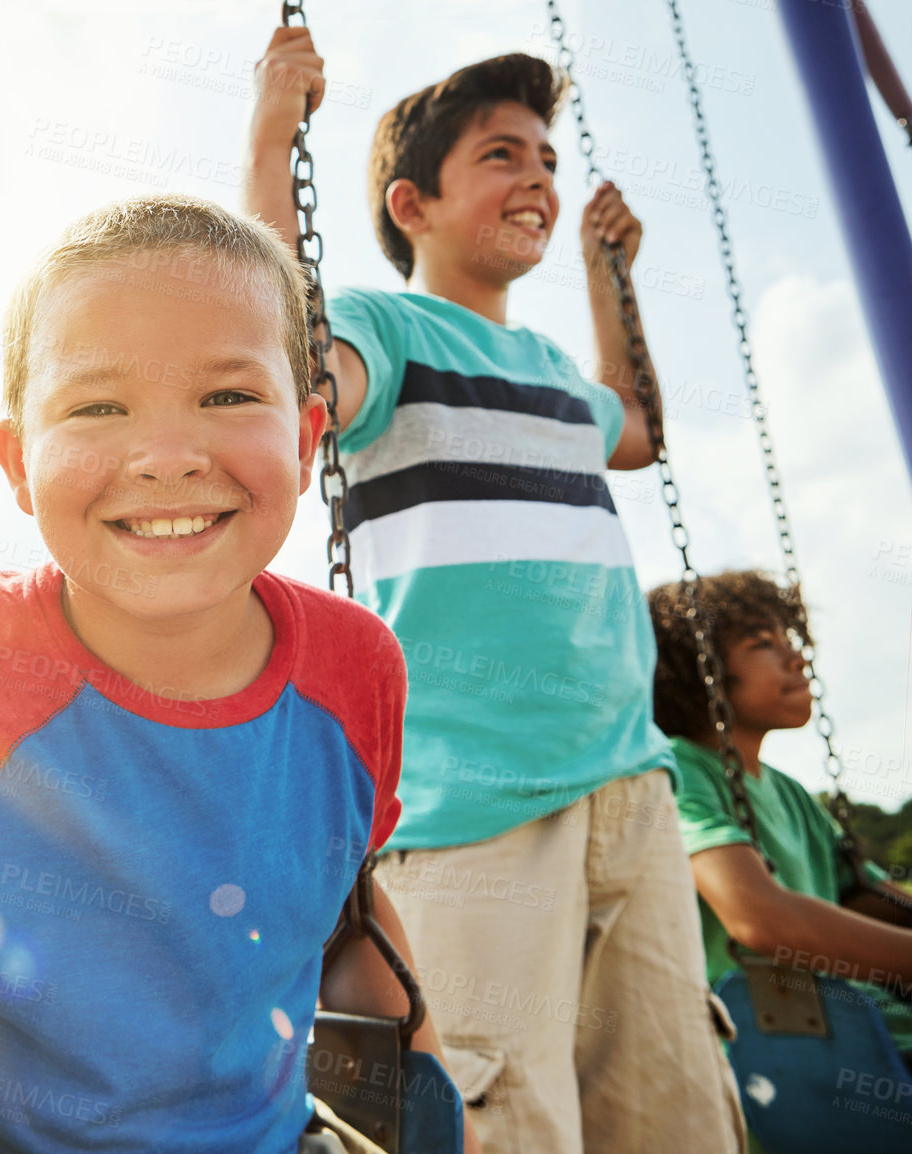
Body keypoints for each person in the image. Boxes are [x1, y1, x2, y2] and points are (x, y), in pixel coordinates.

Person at [0, 193, 478, 1154]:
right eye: (96, 407)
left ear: (307, 436)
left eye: (229, 396)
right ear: (18, 463)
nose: (164, 458)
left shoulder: (356, 668)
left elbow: (347, 910)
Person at [241, 26, 745, 1154]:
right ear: (411, 204)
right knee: (505, 1117)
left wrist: (606, 275)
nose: (537, 179)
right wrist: (273, 130)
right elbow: (274, 345)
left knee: (673, 1112)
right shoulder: (388, 331)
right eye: (502, 157)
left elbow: (639, 426)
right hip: (474, 797)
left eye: (548, 162)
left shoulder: (562, 376)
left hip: (629, 782)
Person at [650, 571, 912, 1065]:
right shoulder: (679, 768)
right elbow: (757, 918)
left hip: (866, 1028)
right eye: (762, 643)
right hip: (774, 1045)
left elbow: (863, 896)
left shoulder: (787, 790)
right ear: (697, 666)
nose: (797, 657)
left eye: (789, 639)